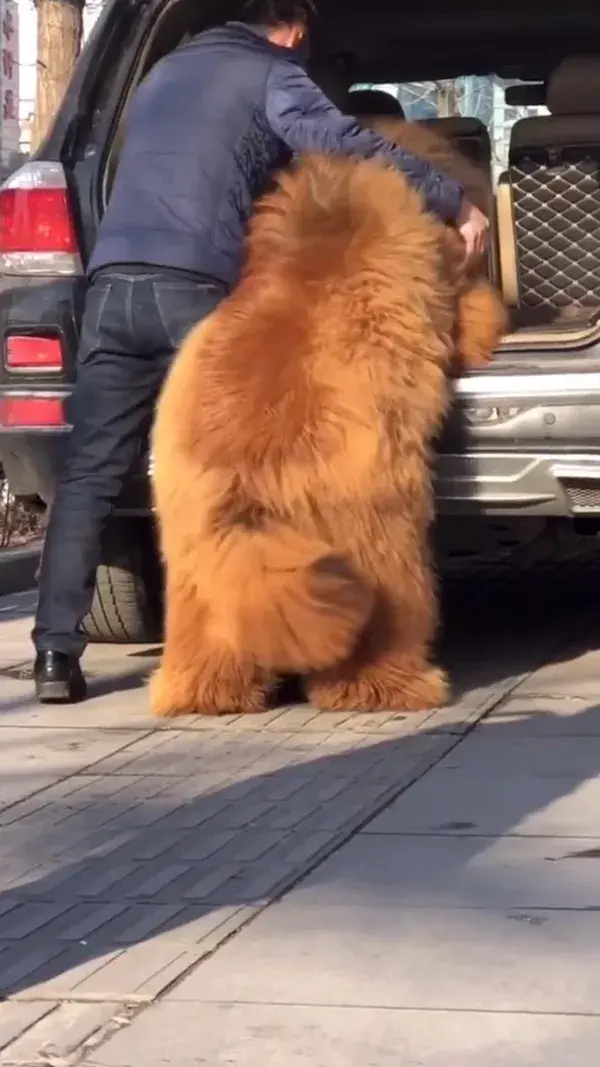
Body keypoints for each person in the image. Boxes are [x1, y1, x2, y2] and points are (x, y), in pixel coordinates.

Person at [32, 0, 489, 704]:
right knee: (261, 462)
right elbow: (344, 143)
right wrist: (451, 201)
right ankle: (300, 615)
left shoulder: (159, 75)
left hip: (111, 288)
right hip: (194, 288)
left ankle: (56, 657)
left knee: (102, 475)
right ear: (297, 27)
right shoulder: (273, 73)